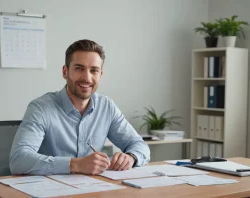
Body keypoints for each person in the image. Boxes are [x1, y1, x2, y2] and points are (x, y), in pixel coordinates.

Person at [9, 39, 150, 175]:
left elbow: (139, 144)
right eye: (79, 68)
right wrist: (75, 164)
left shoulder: (106, 107)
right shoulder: (41, 108)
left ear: (100, 75)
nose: (87, 78)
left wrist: (131, 157)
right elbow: (18, 160)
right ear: (65, 71)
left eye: (94, 70)